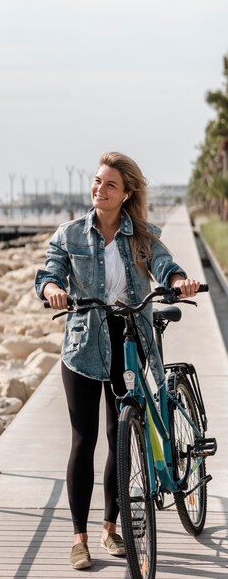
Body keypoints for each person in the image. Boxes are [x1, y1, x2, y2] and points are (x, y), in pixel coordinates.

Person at [35, 152, 200, 570]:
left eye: (109, 184)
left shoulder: (142, 236)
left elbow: (165, 265)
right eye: (96, 181)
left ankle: (111, 528)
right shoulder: (70, 234)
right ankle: (79, 538)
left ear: (127, 193)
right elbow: (48, 271)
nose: (99, 189)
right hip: (83, 345)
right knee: (83, 439)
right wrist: (53, 287)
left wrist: (179, 282)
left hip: (128, 337)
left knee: (119, 434)